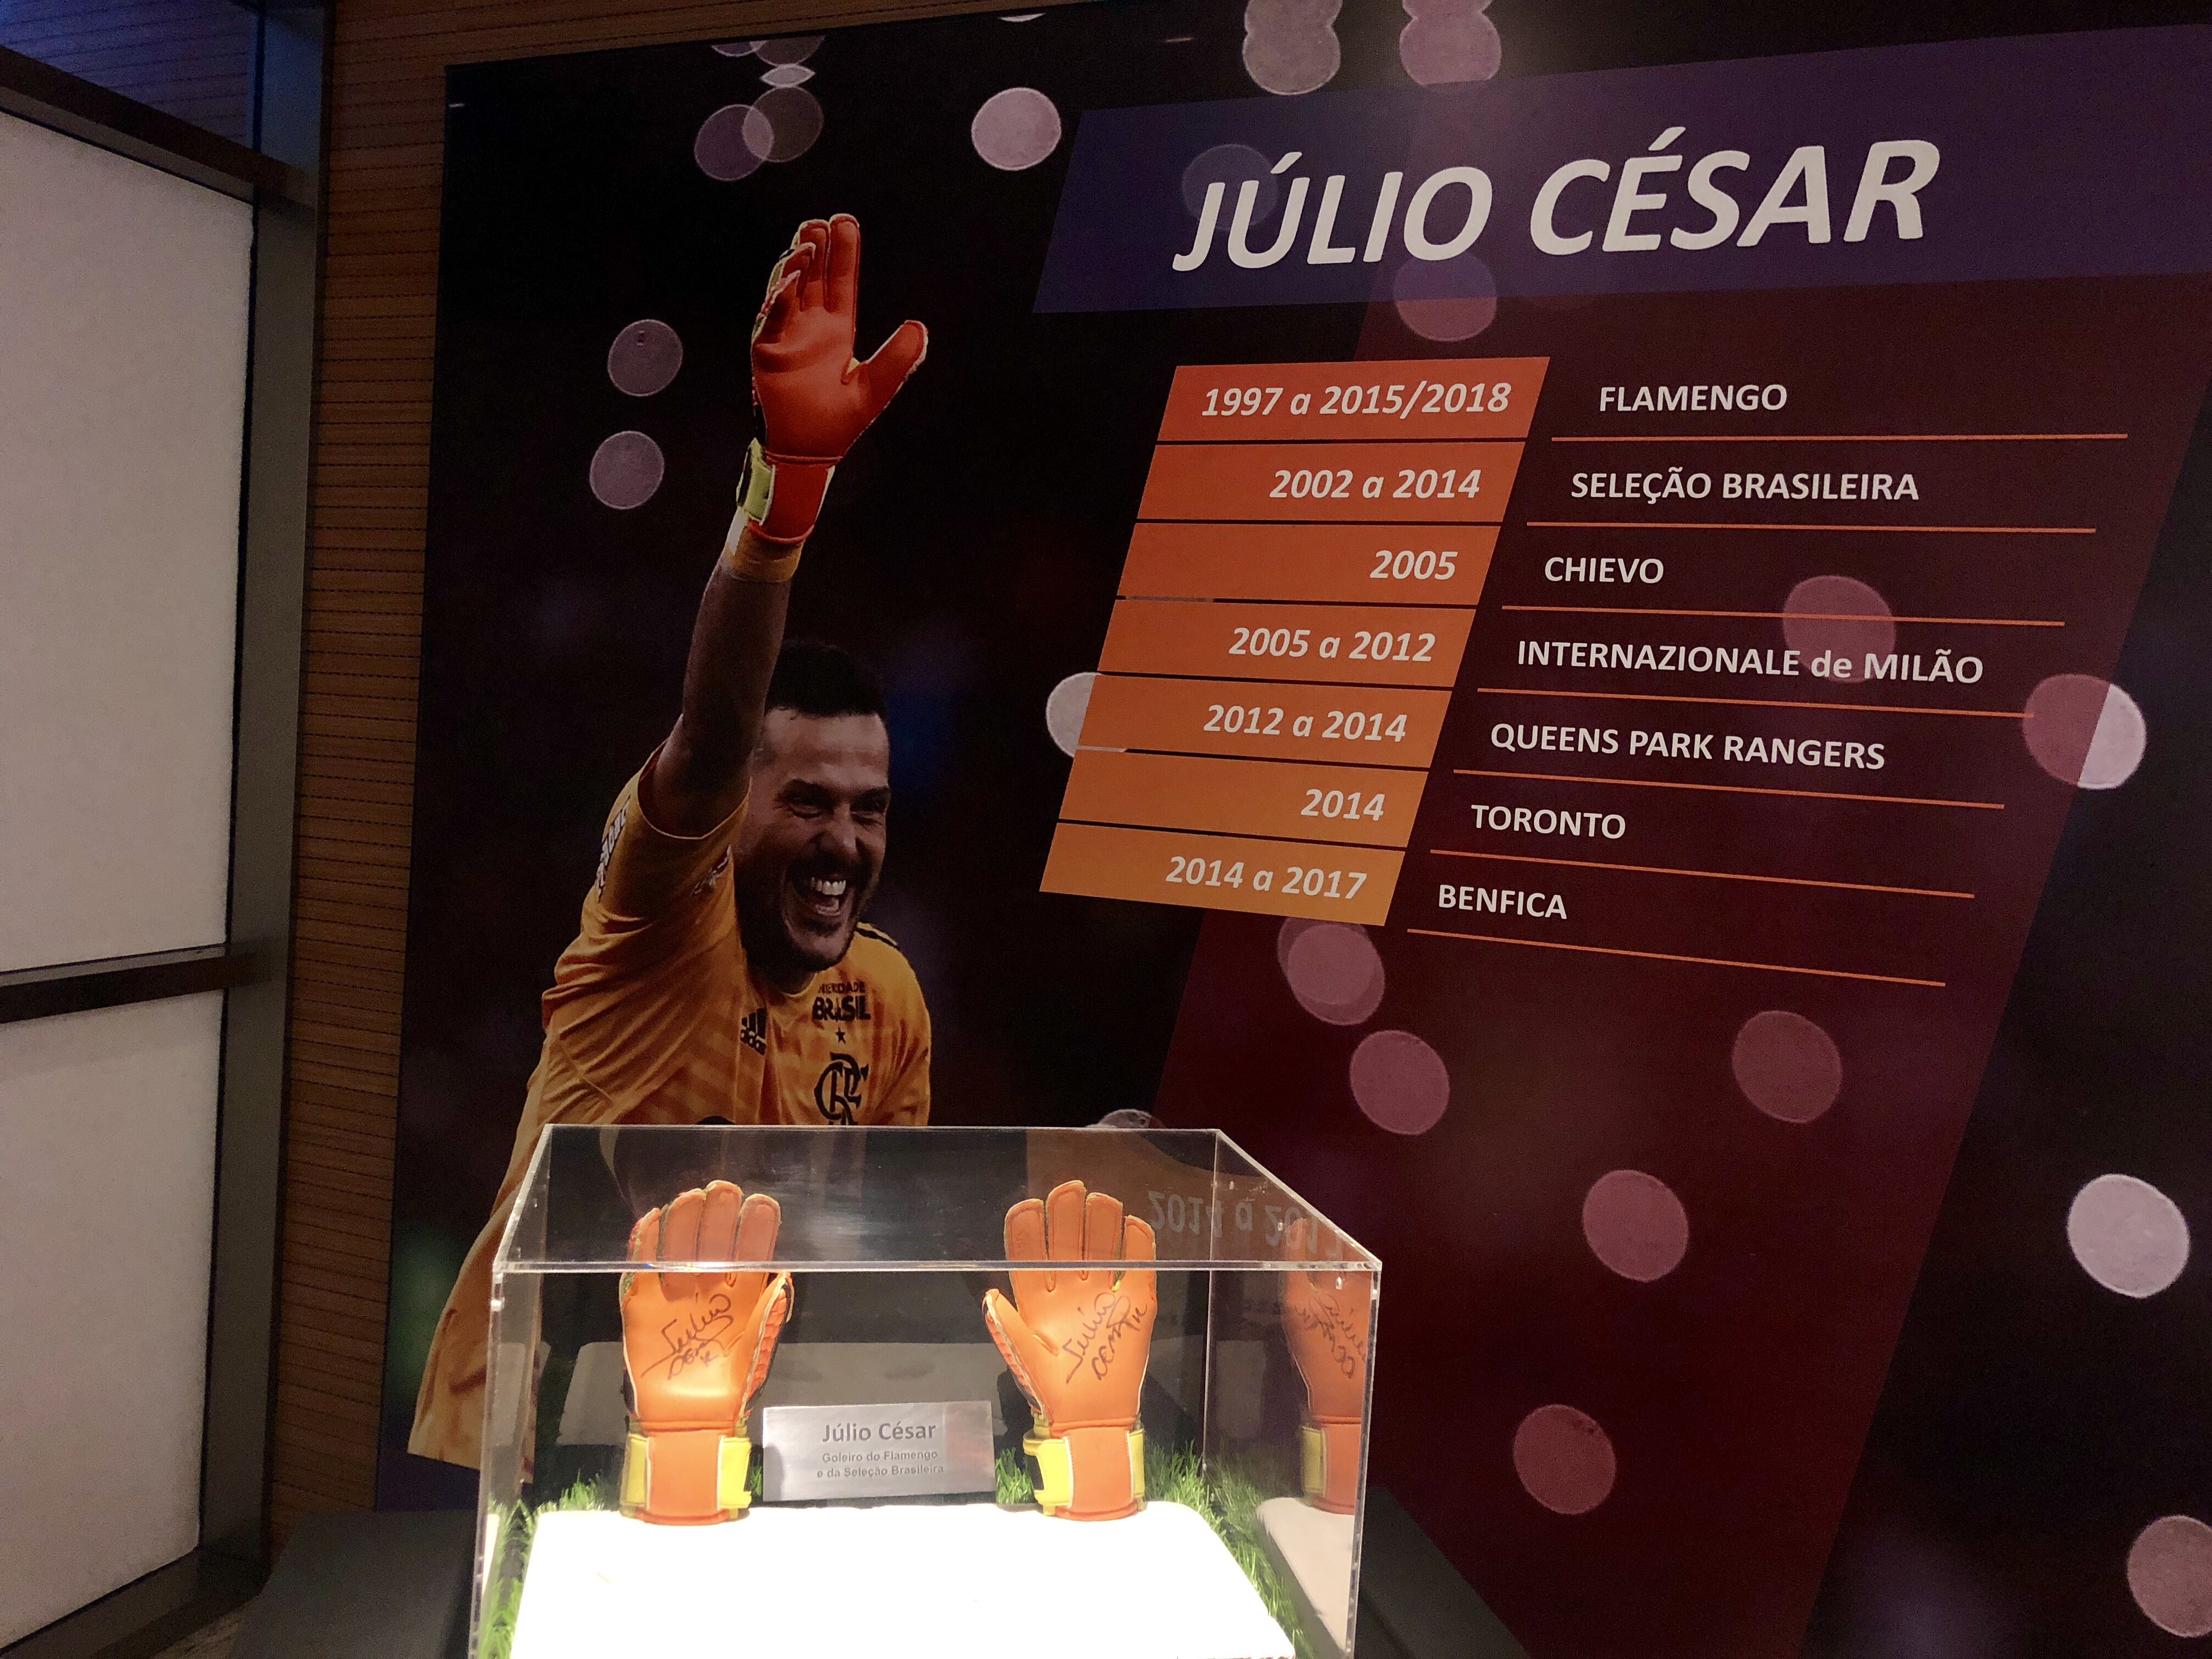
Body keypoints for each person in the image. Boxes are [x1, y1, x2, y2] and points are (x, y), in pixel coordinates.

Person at [409, 215, 933, 1468]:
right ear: (736, 809)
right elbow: (705, 746)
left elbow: (878, 1244)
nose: (842, 841)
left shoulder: (888, 1001)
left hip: (748, 1438)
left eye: (867, 808)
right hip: (537, 1448)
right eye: (807, 800)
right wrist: (783, 508)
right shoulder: (649, 931)